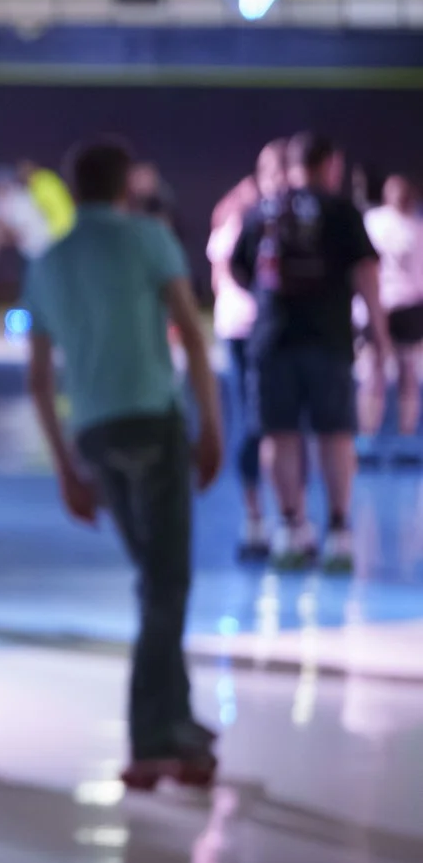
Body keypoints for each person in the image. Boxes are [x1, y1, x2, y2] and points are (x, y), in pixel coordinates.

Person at [21, 137, 224, 789]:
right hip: (153, 423)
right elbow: (192, 334)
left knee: (157, 577)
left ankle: (178, 716)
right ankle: (152, 737)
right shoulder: (150, 238)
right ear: (126, 184)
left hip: (97, 434)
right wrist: (212, 425)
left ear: (75, 189)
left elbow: (38, 375)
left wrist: (64, 467)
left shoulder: (49, 262)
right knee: (166, 581)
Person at [229, 132, 387, 572]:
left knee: (279, 435)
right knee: (335, 435)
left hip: (273, 340)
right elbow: (367, 275)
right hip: (330, 340)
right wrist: (379, 334)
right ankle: (338, 531)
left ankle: (289, 529)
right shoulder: (341, 212)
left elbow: (240, 272)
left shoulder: (261, 212)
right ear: (330, 165)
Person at [206, 142, 286, 558]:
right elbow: (226, 274)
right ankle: (255, 517)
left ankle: (287, 517)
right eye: (275, 172)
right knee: (253, 421)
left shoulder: (287, 217)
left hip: (278, 328)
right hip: (244, 328)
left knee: (281, 425)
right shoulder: (242, 216)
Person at [360, 172, 423, 462]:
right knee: (373, 368)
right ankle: (368, 438)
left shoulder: (417, 227)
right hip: (379, 306)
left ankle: (407, 439)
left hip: (408, 307)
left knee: (408, 368)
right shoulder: (373, 222)